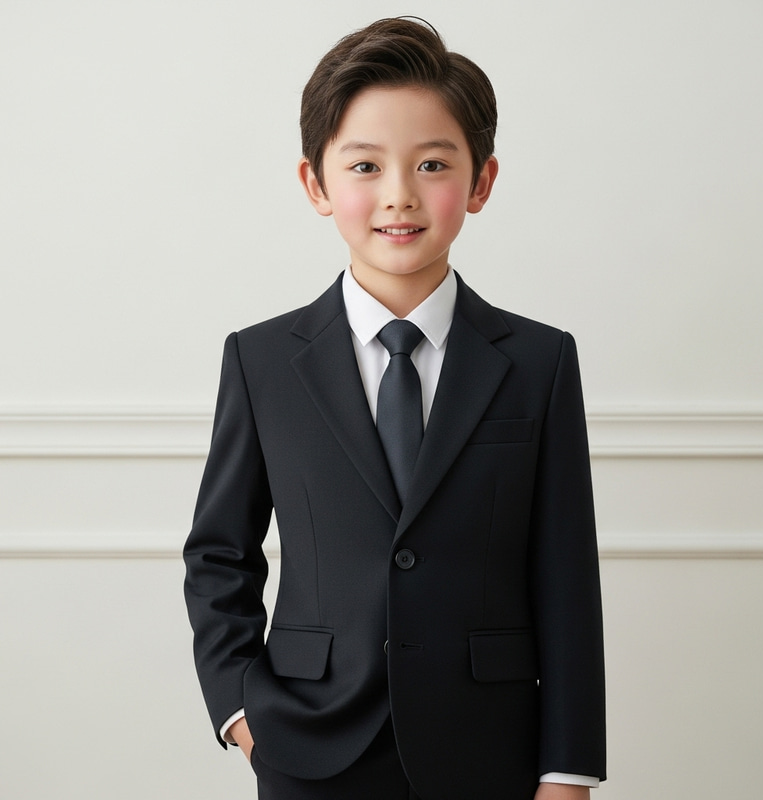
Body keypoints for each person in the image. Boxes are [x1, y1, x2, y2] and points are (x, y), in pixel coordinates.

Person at [184, 17, 605, 800]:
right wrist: (240, 709)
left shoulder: (540, 362)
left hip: (491, 749)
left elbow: (566, 576)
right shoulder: (263, 360)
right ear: (316, 184)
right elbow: (218, 554)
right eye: (366, 166)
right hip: (307, 743)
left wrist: (568, 768)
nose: (399, 196)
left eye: (433, 163)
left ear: (480, 182)